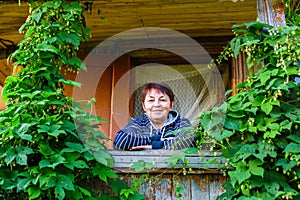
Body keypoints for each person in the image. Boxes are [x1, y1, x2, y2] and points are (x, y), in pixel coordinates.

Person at [113, 82, 195, 150]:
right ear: (144, 106)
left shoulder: (182, 123)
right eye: (151, 100)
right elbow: (121, 140)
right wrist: (155, 140)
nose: (156, 104)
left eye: (162, 100)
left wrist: (153, 146)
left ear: (171, 105)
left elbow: (189, 140)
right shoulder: (137, 124)